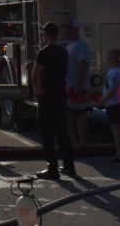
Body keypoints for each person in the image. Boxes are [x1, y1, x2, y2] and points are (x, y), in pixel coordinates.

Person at [31, 22, 75, 180]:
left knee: (46, 132)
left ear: (45, 34)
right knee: (62, 130)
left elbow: (36, 72)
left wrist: (37, 90)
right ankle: (69, 166)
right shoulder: (63, 51)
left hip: (47, 95)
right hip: (60, 94)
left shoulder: (44, 52)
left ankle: (52, 168)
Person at [64, 20, 91, 148]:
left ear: (76, 30)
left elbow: (83, 66)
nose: (67, 32)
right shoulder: (69, 45)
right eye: (67, 29)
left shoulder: (81, 46)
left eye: (70, 29)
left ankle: (82, 143)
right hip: (70, 85)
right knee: (69, 115)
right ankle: (74, 143)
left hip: (77, 86)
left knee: (79, 115)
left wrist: (79, 85)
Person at [101, 48, 120, 162]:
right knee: (114, 128)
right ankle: (119, 153)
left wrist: (103, 100)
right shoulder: (113, 70)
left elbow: (113, 88)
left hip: (114, 103)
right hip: (112, 103)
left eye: (108, 57)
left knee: (116, 129)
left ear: (113, 59)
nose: (106, 58)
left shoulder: (116, 72)